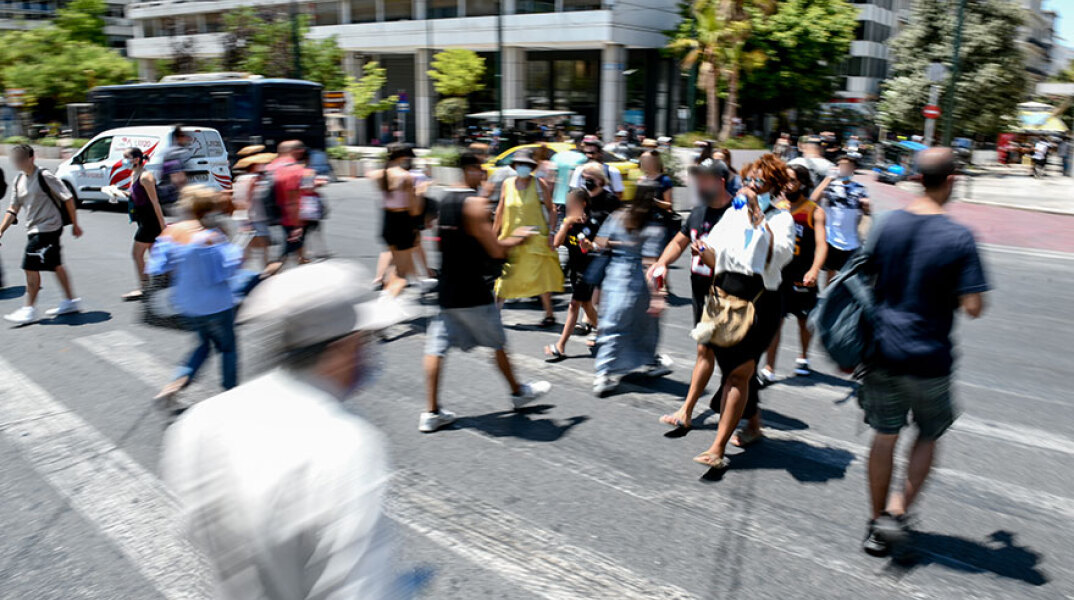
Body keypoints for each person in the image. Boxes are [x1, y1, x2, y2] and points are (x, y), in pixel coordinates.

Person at [163, 260, 406, 600]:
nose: (370, 351)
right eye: (366, 339)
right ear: (341, 348)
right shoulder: (344, 446)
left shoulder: (201, 420)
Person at [861, 148, 988, 559]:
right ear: (950, 180)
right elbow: (973, 306)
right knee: (929, 432)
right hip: (930, 355)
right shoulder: (958, 236)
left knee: (884, 434)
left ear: (916, 178)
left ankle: (875, 524)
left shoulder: (886, 224)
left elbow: (865, 280)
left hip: (882, 349)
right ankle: (896, 514)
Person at [421, 152, 551, 433]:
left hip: (448, 288)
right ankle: (518, 393)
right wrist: (520, 237)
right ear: (470, 170)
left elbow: (445, 244)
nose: (484, 173)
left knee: (436, 348)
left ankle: (431, 412)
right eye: (480, 169)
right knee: (497, 342)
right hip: (472, 288)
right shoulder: (475, 204)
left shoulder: (446, 200)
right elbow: (495, 249)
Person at [692, 155, 795, 468]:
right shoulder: (733, 215)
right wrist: (703, 250)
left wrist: (754, 210)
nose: (751, 187)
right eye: (749, 180)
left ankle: (718, 447)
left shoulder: (781, 219)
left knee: (738, 373)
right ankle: (753, 423)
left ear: (774, 188)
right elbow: (715, 256)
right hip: (724, 296)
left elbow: (775, 259)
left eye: (759, 182)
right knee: (731, 370)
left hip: (759, 302)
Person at [650, 158, 732, 429]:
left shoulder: (736, 215)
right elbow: (678, 241)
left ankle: (686, 411)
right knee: (720, 356)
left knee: (709, 352)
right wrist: (661, 263)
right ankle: (748, 415)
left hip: (728, 295)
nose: (699, 183)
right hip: (701, 294)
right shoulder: (698, 212)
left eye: (705, 179)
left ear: (720, 181)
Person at [147, 186, 242, 408]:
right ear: (209, 210)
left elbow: (156, 266)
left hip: (187, 303)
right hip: (217, 304)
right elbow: (228, 269)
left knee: (202, 345)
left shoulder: (170, 233)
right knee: (227, 348)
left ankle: (176, 383)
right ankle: (231, 394)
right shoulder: (211, 237)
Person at [585, 182, 674, 396]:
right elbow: (651, 264)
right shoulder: (652, 224)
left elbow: (600, 242)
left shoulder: (618, 215)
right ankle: (637, 364)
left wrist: (622, 245)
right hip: (637, 280)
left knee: (613, 323)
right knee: (645, 324)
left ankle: (606, 372)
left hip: (614, 274)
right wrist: (658, 295)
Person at [0, 144, 83, 325]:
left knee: (29, 265)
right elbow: (13, 208)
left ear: (32, 158)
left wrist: (75, 224)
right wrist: (1, 230)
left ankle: (29, 309)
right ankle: (71, 301)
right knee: (56, 265)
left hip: (48, 228)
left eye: (22, 159)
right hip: (33, 228)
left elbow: (67, 197)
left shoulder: (44, 176)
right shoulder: (19, 180)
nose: (18, 163)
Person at [760, 163, 827, 384]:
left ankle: (804, 357)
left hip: (802, 274)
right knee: (774, 321)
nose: (788, 185)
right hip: (778, 273)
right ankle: (769, 367)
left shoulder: (814, 211)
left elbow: (821, 245)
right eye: (785, 180)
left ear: (802, 183)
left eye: (792, 180)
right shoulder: (775, 207)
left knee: (804, 320)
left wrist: (815, 270)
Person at [493, 151, 563, 327]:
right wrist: (494, 236)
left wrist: (552, 233)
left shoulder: (539, 184)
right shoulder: (507, 184)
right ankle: (494, 314)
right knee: (505, 276)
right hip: (510, 239)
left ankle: (549, 314)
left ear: (531, 167)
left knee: (540, 276)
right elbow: (500, 211)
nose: (522, 168)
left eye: (526, 165)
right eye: (519, 164)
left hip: (535, 239)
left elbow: (552, 209)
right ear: (515, 166)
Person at [544, 188, 601, 362]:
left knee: (574, 305)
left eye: (572, 203)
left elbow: (587, 248)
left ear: (583, 204)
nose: (569, 206)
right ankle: (606, 334)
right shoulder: (570, 223)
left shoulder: (591, 222)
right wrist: (566, 223)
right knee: (586, 306)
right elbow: (556, 243)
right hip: (576, 272)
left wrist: (587, 244)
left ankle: (560, 346)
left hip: (589, 270)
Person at [373, 143, 421, 297]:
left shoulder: (379, 174)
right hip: (403, 221)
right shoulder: (406, 177)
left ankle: (385, 288)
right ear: (403, 157)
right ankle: (388, 302)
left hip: (387, 220)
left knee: (393, 260)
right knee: (402, 272)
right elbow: (413, 206)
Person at [118, 147, 166, 301]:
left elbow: (155, 202)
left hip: (150, 221)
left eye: (126, 157)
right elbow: (134, 195)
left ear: (136, 159)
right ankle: (161, 286)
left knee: (137, 254)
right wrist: (117, 193)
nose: (124, 161)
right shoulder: (134, 174)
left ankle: (145, 288)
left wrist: (162, 226)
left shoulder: (146, 177)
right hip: (142, 219)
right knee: (155, 255)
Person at [815, 155, 870, 280]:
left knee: (848, 277)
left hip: (852, 241)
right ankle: (827, 298)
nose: (844, 168)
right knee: (829, 274)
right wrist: (828, 179)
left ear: (853, 169)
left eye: (848, 166)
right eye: (841, 165)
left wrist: (866, 205)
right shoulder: (831, 186)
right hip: (831, 239)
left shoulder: (860, 189)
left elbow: (867, 211)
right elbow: (813, 199)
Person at [231, 152, 277, 268]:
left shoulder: (239, 178)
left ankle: (241, 268)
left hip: (242, 214)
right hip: (255, 216)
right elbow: (248, 198)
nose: (263, 165)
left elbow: (237, 197)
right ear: (253, 165)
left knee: (247, 245)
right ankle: (266, 268)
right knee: (263, 245)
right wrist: (248, 219)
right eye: (260, 164)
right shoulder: (253, 179)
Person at [551, 132, 588, 217]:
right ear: (580, 143)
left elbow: (551, 180)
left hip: (556, 201)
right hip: (574, 201)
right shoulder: (583, 158)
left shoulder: (557, 156)